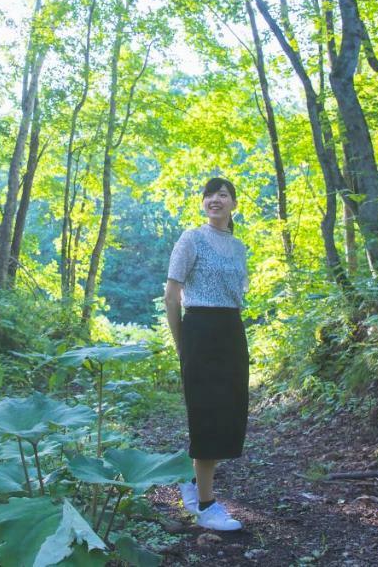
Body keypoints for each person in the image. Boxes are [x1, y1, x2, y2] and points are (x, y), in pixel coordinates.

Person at [164, 176, 249, 532]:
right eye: (209, 194)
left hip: (231, 329)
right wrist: (181, 341)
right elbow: (172, 294)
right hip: (198, 328)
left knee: (230, 410)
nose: (215, 199)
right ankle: (205, 504)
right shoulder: (191, 238)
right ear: (203, 202)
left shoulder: (241, 246)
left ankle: (191, 480)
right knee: (206, 412)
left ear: (233, 204)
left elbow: (237, 294)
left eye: (223, 194)